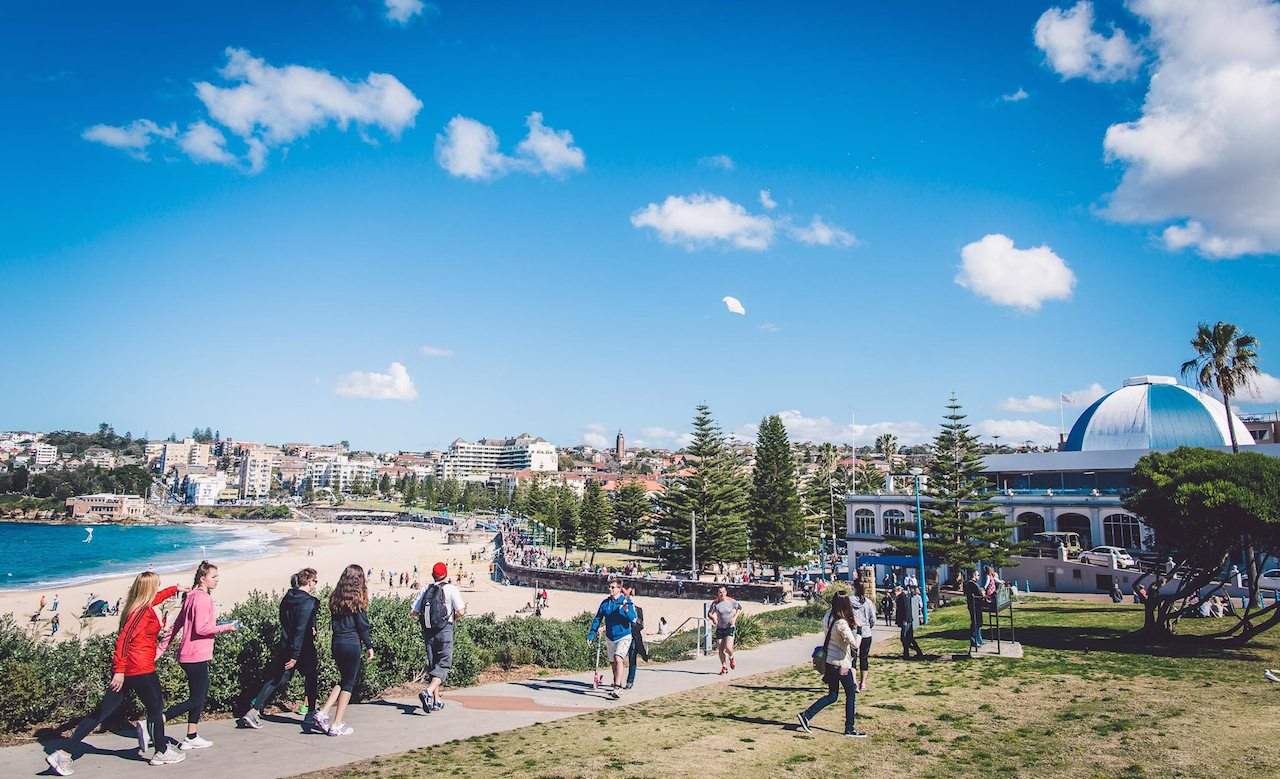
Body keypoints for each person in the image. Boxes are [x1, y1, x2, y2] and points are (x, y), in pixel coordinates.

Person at [43, 572, 185, 776]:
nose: (158, 587)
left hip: (133, 668)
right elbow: (124, 640)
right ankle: (161, 751)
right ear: (148, 588)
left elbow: (155, 598)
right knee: (156, 708)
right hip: (139, 669)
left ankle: (63, 752)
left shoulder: (139, 606)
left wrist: (174, 590)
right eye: (157, 585)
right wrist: (119, 670)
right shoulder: (140, 613)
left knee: (101, 712)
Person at [154, 561, 239, 751]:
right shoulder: (203, 599)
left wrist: (161, 649)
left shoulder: (191, 596)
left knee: (197, 696)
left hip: (187, 654)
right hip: (196, 655)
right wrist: (227, 627)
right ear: (203, 578)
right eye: (213, 577)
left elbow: (176, 625)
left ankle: (191, 736)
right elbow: (202, 629)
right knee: (197, 698)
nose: (217, 580)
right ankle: (156, 721)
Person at [240, 568, 322, 732]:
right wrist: (295, 655)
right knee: (311, 678)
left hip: (285, 644)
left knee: (277, 678)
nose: (315, 585)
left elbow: (288, 623)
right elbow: (300, 629)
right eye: (315, 581)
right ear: (309, 581)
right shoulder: (309, 602)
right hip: (302, 648)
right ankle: (311, 713)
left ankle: (253, 711)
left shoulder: (287, 598)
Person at [314, 564, 374, 736]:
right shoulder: (357, 599)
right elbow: (362, 626)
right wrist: (369, 646)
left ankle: (323, 712)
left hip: (337, 642)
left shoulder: (335, 598)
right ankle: (336, 724)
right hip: (351, 643)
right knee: (348, 684)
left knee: (343, 679)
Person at [797, 592, 864, 738]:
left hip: (829, 662)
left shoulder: (828, 617)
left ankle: (806, 715)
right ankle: (849, 728)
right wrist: (859, 629)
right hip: (841, 664)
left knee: (833, 695)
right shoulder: (841, 623)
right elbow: (855, 645)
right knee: (850, 693)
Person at [411, 562, 466, 714]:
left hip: (428, 631)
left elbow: (413, 612)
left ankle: (436, 701)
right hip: (445, 630)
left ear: (433, 575)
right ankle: (428, 692)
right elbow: (460, 611)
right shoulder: (451, 589)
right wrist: (452, 617)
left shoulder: (425, 589)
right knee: (444, 665)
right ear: (446, 575)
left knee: (433, 665)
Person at [587, 579, 637, 699]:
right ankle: (616, 683)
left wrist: (625, 611)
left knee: (618, 657)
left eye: (613, 587)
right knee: (613, 662)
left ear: (619, 589)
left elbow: (633, 619)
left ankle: (617, 687)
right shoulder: (605, 603)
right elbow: (598, 618)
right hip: (610, 636)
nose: (610, 589)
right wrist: (592, 634)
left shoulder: (626, 602)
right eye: (609, 587)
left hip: (624, 636)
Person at [707, 586, 742, 674]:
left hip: (730, 627)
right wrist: (713, 618)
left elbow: (739, 608)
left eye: (723, 592)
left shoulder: (731, 601)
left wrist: (734, 618)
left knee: (728, 647)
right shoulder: (715, 603)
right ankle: (724, 666)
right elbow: (709, 613)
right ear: (717, 593)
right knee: (720, 649)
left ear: (726, 592)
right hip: (720, 627)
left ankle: (731, 657)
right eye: (720, 592)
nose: (721, 594)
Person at [851, 580, 876, 692]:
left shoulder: (849, 601)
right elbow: (873, 619)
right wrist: (868, 626)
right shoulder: (868, 602)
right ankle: (863, 682)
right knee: (864, 658)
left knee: (853, 658)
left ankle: (854, 683)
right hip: (866, 633)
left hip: (854, 633)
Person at [623, 585, 648, 689]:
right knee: (617, 659)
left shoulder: (638, 609)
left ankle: (630, 680)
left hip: (634, 636)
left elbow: (640, 625)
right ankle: (617, 680)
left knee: (632, 657)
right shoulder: (618, 607)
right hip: (622, 635)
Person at [895, 585, 923, 659]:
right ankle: (917, 651)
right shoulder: (902, 597)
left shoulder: (903, 598)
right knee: (909, 638)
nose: (894, 593)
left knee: (904, 637)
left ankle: (906, 653)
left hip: (906, 620)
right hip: (907, 620)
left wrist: (905, 620)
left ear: (899, 591)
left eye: (895, 591)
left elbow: (906, 609)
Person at [964, 570, 985, 648]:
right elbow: (979, 593)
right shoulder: (971, 584)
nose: (979, 576)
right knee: (975, 623)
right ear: (974, 575)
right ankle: (974, 640)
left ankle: (979, 639)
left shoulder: (973, 583)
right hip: (974, 606)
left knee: (979, 623)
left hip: (977, 605)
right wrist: (982, 593)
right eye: (978, 575)